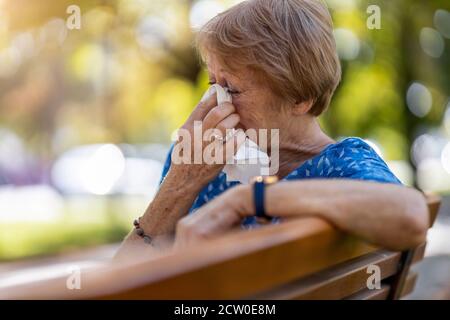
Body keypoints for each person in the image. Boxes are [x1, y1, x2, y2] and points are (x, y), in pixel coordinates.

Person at [115, 0, 428, 259]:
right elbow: (123, 286)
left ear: (300, 97)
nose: (214, 103)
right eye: (213, 84)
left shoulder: (341, 165)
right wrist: (181, 180)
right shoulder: (197, 163)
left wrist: (251, 199)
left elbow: (412, 215)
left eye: (231, 89)